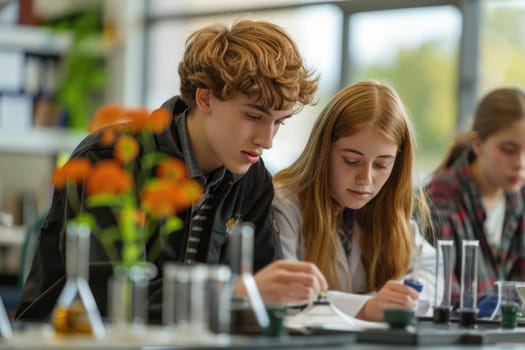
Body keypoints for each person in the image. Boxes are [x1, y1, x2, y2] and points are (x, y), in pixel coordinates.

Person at [16, 19, 327, 322]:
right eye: (254, 116)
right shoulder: (111, 158)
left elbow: (262, 292)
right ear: (206, 98)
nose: (267, 140)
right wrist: (233, 293)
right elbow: (104, 295)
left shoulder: (253, 178)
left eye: (278, 122)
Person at [272, 81, 439, 322]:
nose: (366, 178)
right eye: (351, 160)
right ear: (323, 151)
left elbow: (432, 269)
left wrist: (401, 295)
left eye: (382, 164)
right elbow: (283, 293)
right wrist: (365, 307)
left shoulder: (384, 208)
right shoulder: (285, 203)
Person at [424, 87, 525, 312]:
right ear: (478, 144)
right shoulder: (442, 199)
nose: (521, 163)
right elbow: (444, 300)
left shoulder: (520, 197)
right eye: (509, 150)